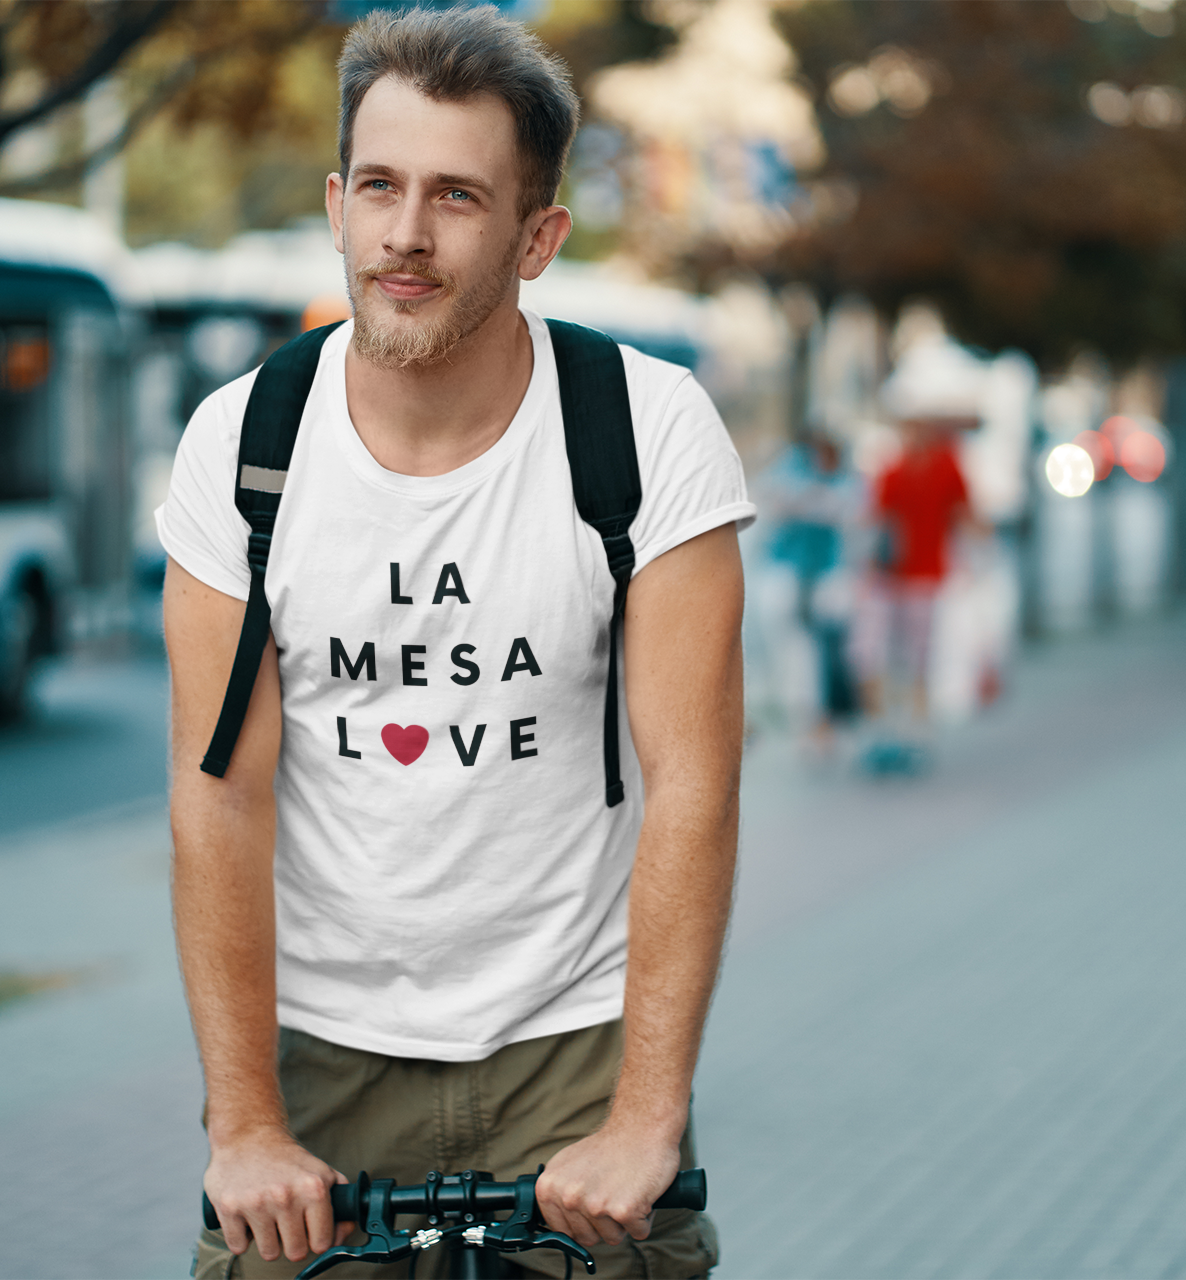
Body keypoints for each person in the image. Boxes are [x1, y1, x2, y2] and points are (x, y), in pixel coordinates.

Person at [157, 10, 751, 1278]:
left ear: (538, 237)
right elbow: (220, 795)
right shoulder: (241, 443)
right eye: (379, 186)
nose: (405, 236)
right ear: (336, 202)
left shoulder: (646, 429)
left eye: (457, 197)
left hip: (576, 1048)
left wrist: (647, 1115)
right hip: (317, 1051)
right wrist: (245, 1120)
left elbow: (693, 787)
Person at [852, 345, 982, 765]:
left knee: (916, 655)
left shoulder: (946, 465)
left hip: (926, 574)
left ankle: (915, 730)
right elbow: (873, 522)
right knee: (878, 652)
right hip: (891, 575)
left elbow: (965, 516)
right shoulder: (895, 467)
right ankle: (885, 729)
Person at [754, 431, 861, 744]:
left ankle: (821, 719)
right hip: (791, 576)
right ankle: (807, 717)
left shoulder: (843, 484)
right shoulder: (790, 473)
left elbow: (845, 515)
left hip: (825, 579)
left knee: (820, 654)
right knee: (794, 652)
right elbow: (771, 500)